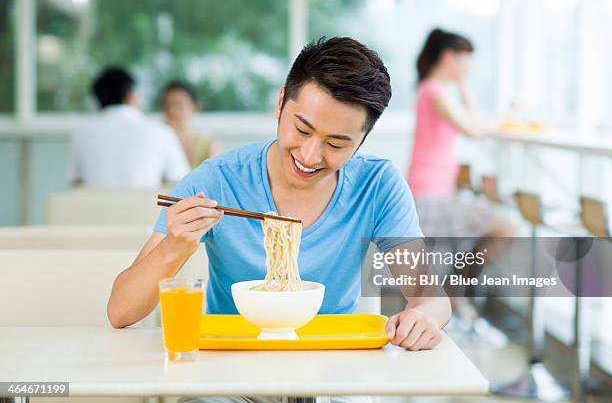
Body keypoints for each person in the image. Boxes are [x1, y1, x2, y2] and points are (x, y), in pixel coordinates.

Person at [108, 38, 451, 354]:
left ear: (361, 142)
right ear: (280, 103)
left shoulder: (377, 185)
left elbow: (431, 298)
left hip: (334, 364)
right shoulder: (216, 181)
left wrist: (425, 317)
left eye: (336, 144)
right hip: (230, 367)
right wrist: (174, 247)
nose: (310, 154)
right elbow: (121, 311)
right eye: (301, 129)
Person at [406, 28, 516, 325]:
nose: (468, 67)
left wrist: (464, 87)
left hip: (433, 194)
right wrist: (466, 88)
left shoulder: (435, 91)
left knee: (505, 228)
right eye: (465, 59)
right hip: (429, 198)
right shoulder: (434, 91)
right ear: (448, 58)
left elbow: (476, 125)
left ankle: (454, 293)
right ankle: (455, 293)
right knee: (507, 228)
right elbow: (475, 129)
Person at [70, 67, 190, 189]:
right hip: (147, 207)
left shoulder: (82, 134)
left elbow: (76, 185)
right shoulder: (160, 131)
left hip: (94, 207)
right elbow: (182, 183)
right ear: (129, 94)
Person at [160, 81, 219, 167]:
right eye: (167, 104)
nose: (171, 110)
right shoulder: (158, 141)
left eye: (178, 104)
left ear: (195, 107)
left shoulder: (208, 145)